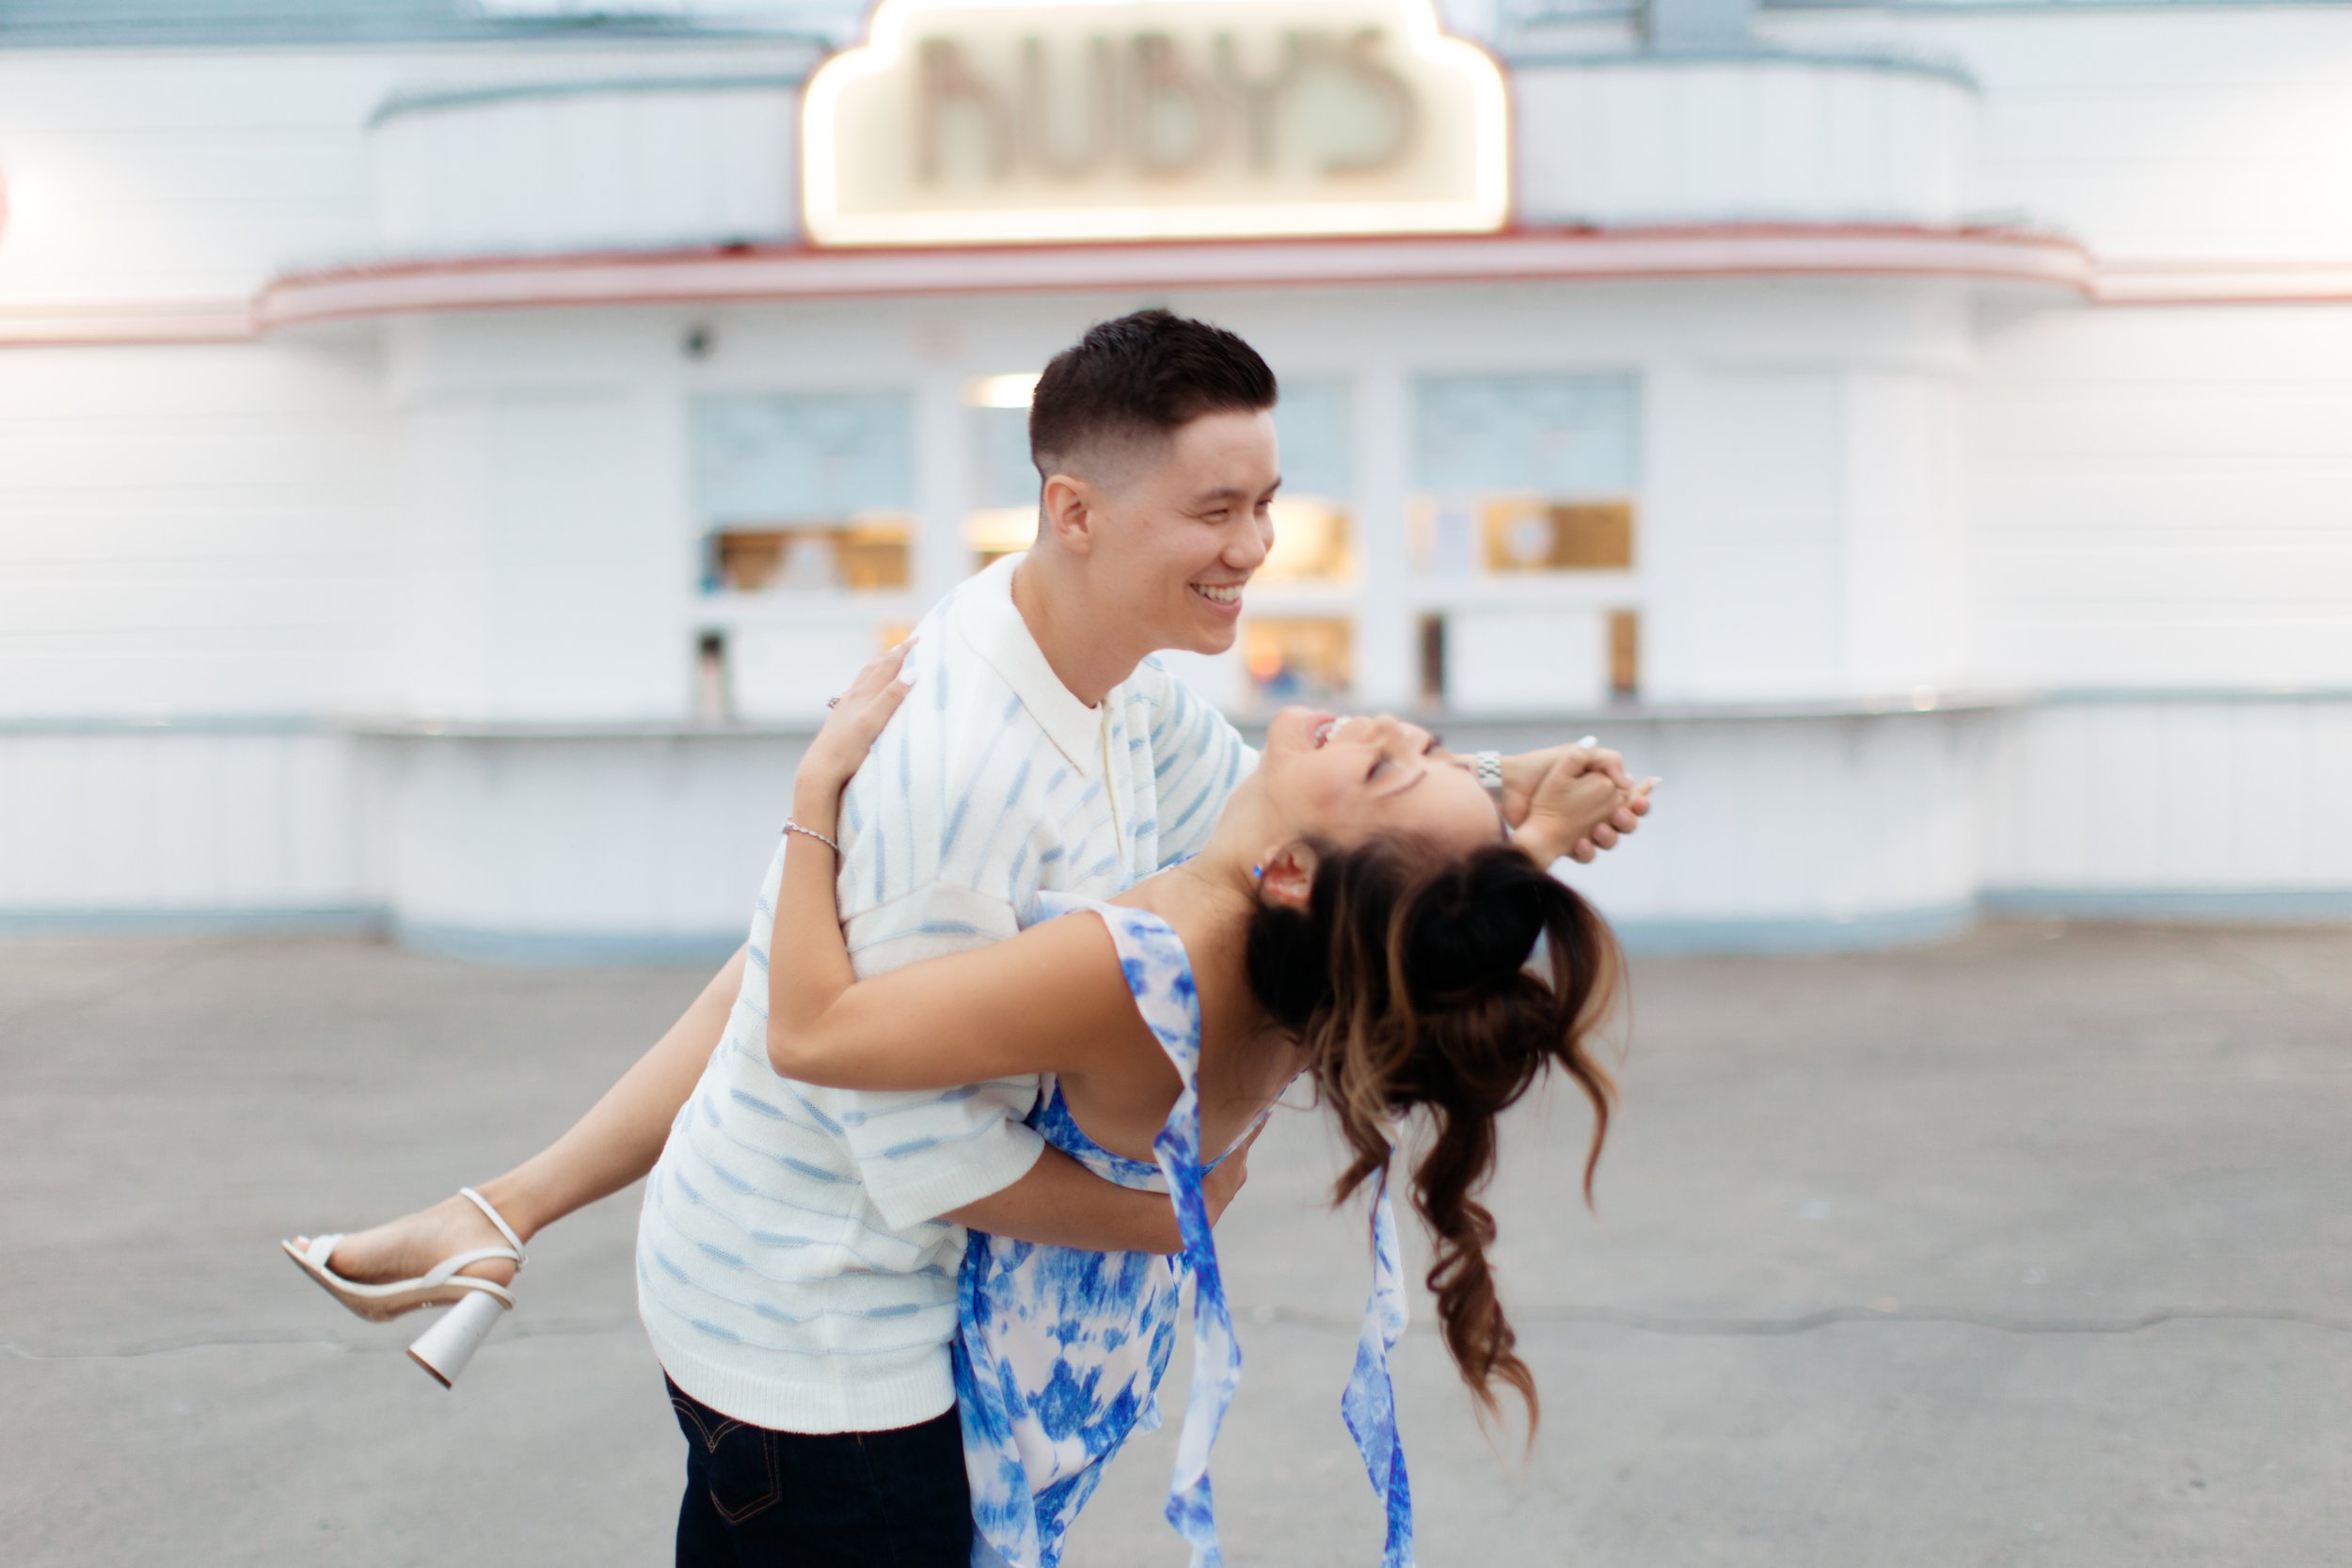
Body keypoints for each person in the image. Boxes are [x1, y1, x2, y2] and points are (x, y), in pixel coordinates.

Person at [285, 309, 1649, 1565]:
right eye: (1217, 508)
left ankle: (496, 1212)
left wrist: (1500, 799)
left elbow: (1281, 825)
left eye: (1269, 503)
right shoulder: (960, 771)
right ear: (1075, 509)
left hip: (862, 1307)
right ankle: (499, 1209)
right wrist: (1167, 1220)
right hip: (824, 1348)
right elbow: (904, 1138)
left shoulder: (1112, 682)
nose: (1256, 545)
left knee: (787, 941)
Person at [763, 644, 1630, 1568]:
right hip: (1065, 1388)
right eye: (1433, 745)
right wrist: (1523, 815)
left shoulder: (1137, 969)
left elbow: (812, 1035)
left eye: (1388, 764)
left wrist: (815, 794)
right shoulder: (1329, 974)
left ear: (1293, 872)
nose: (1387, 724)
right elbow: (1422, 907)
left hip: (944, 1426)